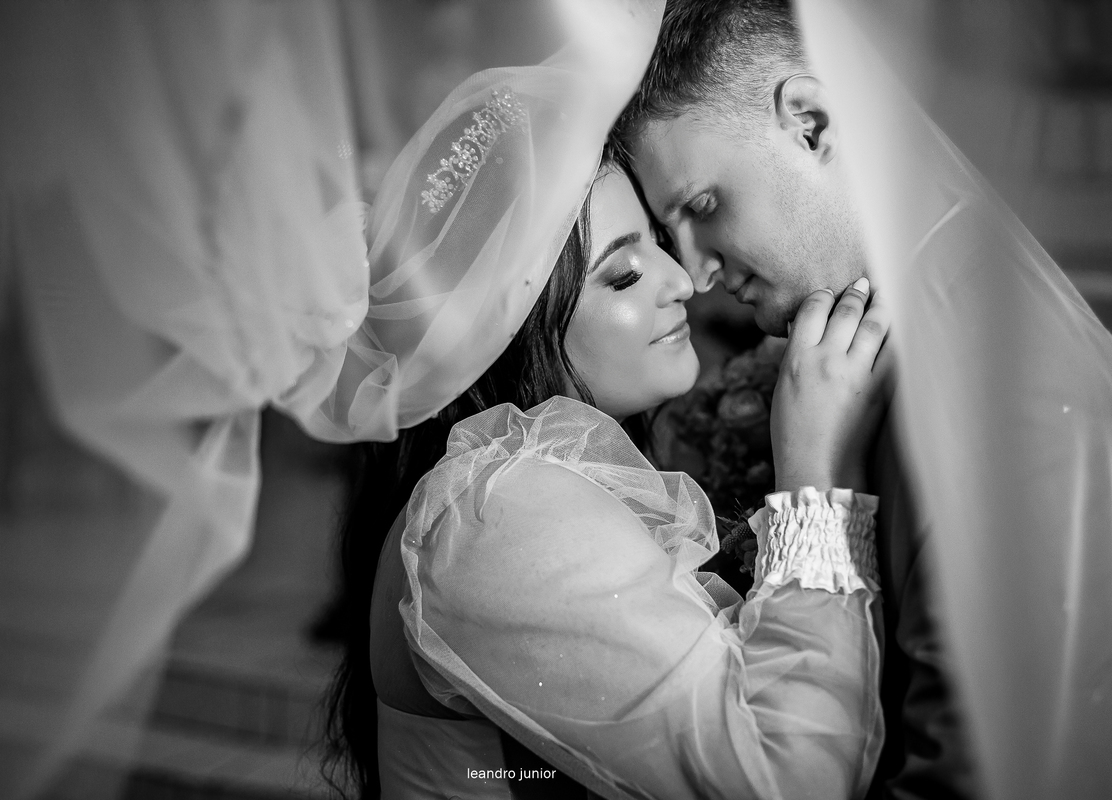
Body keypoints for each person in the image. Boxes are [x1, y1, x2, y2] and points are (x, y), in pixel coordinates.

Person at [319, 11, 893, 794]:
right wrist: (815, 483)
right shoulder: (493, 511)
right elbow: (791, 781)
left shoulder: (555, 485)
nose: (684, 281)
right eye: (623, 275)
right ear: (513, 332)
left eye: (659, 243)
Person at [608, 1, 978, 797]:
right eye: (669, 235)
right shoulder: (875, 347)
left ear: (811, 125)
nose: (695, 274)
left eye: (703, 206)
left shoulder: (964, 379)